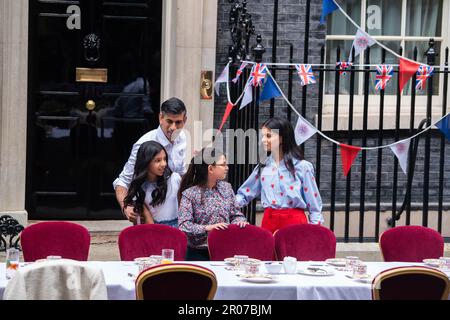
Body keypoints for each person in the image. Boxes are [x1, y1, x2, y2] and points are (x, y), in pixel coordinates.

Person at [236, 117, 324, 234]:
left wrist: (314, 231)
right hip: (269, 222)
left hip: (295, 224)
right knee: (269, 253)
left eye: (268, 136)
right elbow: (244, 194)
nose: (263, 140)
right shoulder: (263, 167)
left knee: (294, 252)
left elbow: (314, 206)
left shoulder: (302, 167)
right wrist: (224, 205)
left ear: (282, 137)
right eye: (263, 136)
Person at [113, 97, 187, 223]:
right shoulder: (143, 144)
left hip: (175, 214)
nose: (173, 127)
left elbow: (181, 175)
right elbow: (123, 181)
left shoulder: (182, 137)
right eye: (169, 121)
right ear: (160, 118)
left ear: (185, 121)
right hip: (148, 212)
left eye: (178, 122)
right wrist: (126, 206)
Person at [178, 148, 248, 261]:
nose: (227, 168)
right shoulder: (190, 194)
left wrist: (239, 222)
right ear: (210, 168)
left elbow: (236, 214)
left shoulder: (227, 188)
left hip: (225, 249)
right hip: (198, 252)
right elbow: (184, 225)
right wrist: (207, 228)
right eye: (223, 164)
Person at [122, 141, 180, 227]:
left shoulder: (174, 179)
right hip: (153, 228)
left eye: (165, 159)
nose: (164, 164)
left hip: (177, 227)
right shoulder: (140, 188)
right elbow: (144, 221)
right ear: (146, 162)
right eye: (158, 160)